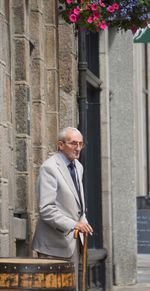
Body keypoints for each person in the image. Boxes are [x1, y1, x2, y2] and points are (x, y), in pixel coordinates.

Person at [32, 127, 93, 289]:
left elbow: (77, 203)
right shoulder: (49, 168)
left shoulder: (78, 166)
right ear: (60, 145)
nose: (78, 148)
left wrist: (83, 221)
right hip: (53, 246)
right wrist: (74, 224)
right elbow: (46, 209)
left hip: (73, 243)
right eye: (73, 143)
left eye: (81, 144)